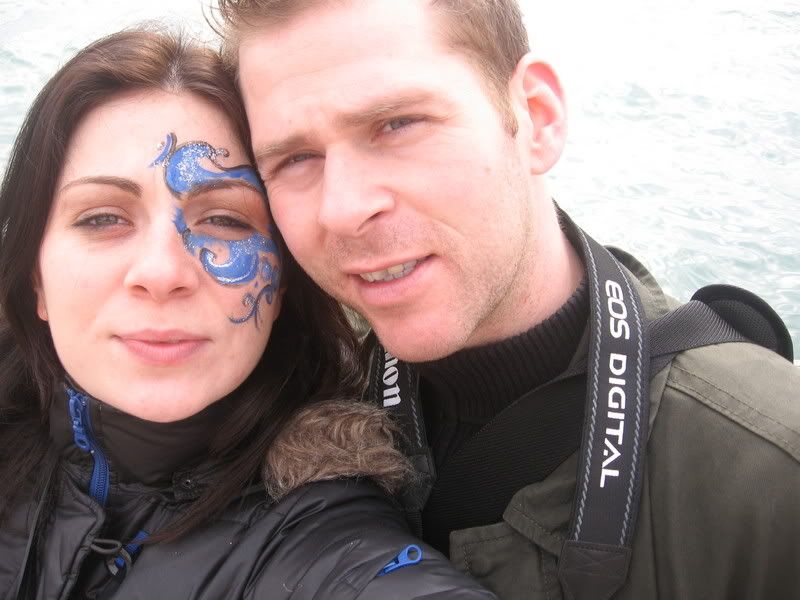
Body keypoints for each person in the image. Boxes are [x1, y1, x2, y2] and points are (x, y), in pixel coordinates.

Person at [215, 1, 800, 598]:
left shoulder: (771, 470)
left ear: (537, 118)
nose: (342, 208)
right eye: (295, 159)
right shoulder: (284, 391)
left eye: (398, 124)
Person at [0, 28, 498, 600]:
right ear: (35, 276)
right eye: (102, 219)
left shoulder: (323, 543)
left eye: (225, 220)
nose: (162, 272)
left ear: (283, 281)